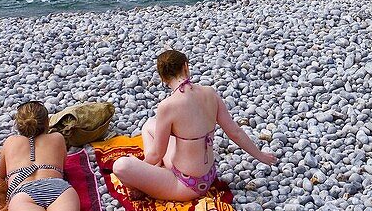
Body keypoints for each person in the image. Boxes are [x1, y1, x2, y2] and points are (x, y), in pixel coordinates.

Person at [113, 50, 277, 201]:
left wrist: (138, 167)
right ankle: (152, 176)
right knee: (149, 125)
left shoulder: (167, 106)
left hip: (185, 185)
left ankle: (147, 181)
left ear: (162, 78)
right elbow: (235, 132)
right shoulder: (210, 93)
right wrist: (261, 156)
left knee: (121, 166)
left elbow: (156, 154)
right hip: (208, 174)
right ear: (186, 66)